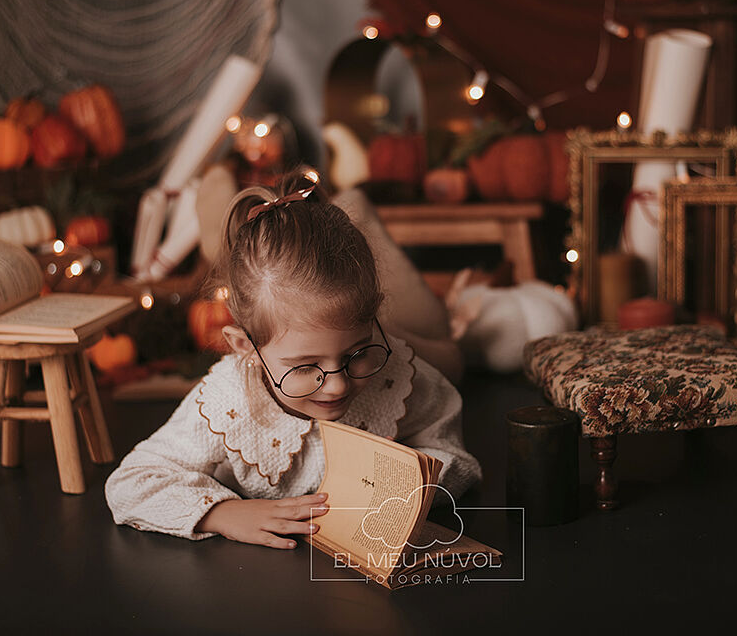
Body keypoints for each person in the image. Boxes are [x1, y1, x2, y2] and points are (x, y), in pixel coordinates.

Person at [105, 171, 482, 549]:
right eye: (304, 367)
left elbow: (458, 458)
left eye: (356, 353)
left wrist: (412, 477)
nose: (337, 385)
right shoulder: (226, 403)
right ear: (245, 348)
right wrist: (221, 514)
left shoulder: (396, 372)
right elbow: (130, 484)